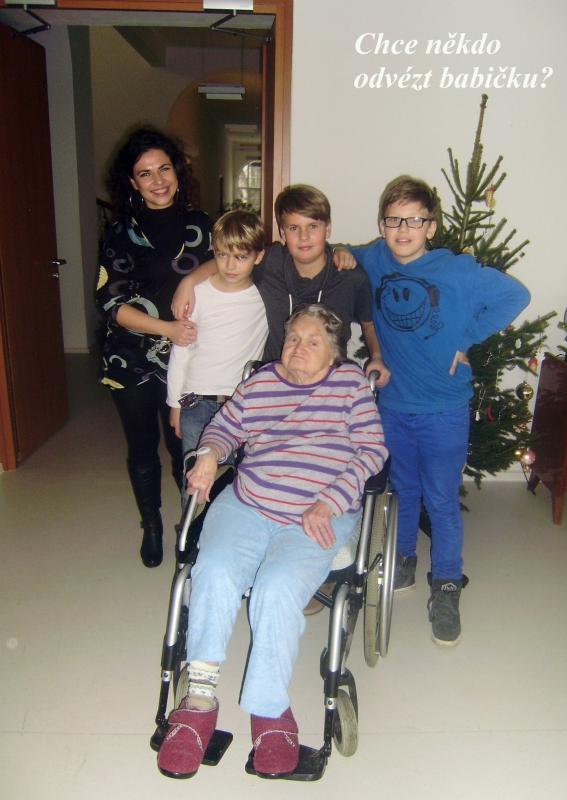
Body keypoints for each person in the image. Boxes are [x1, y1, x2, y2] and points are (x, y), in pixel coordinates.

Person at [156, 305, 388, 779]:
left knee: (277, 588)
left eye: (313, 342)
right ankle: (198, 701)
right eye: (293, 338)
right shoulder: (261, 381)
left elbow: (373, 450)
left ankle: (270, 711)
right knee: (214, 571)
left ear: (334, 353)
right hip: (249, 503)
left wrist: (329, 500)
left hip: (316, 514)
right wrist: (209, 454)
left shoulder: (349, 386)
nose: (298, 348)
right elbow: (225, 427)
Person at [348, 175, 531, 646]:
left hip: (444, 409)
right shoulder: (375, 256)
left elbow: (516, 295)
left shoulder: (457, 270)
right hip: (393, 406)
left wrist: (465, 339)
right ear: (381, 225)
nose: (402, 230)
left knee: (442, 499)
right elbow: (332, 252)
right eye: (393, 220)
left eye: (414, 221)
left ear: (431, 226)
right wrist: (340, 255)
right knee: (403, 489)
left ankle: (447, 584)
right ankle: (405, 560)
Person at [95, 127, 213, 569]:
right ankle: (152, 524)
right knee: (143, 447)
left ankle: (191, 524)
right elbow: (111, 303)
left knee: (185, 448)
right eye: (146, 173)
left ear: (177, 172)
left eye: (164, 169)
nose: (158, 180)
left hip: (187, 359)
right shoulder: (119, 233)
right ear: (133, 182)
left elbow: (229, 262)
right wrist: (166, 328)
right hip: (130, 357)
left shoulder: (202, 226)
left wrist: (189, 278)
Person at [171, 184, 391, 386]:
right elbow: (232, 257)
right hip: (274, 384)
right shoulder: (269, 263)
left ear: (328, 229)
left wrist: (377, 357)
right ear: (283, 233)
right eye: (294, 228)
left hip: (330, 387)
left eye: (313, 226)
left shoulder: (350, 277)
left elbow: (369, 324)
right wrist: (189, 281)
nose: (304, 236)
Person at [166, 209, 268, 511]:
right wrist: (174, 405)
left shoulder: (265, 296)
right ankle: (190, 533)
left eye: (241, 257)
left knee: (244, 478)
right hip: (196, 402)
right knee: (195, 480)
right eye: (222, 255)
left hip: (243, 405)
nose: (230, 265)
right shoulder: (198, 294)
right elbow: (181, 352)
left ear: (258, 257)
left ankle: (230, 530)